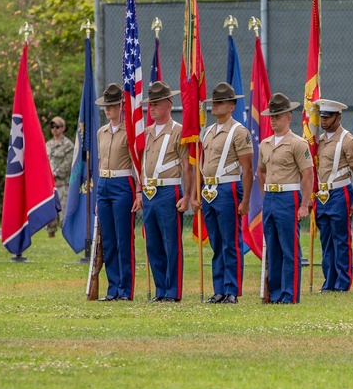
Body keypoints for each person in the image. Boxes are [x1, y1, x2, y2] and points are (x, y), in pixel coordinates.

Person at [191, 82, 254, 304]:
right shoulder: (207, 131)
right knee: (216, 242)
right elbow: (201, 164)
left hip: (228, 187)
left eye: (219, 102)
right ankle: (219, 289)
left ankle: (231, 290)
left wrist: (246, 200)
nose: (214, 106)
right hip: (209, 189)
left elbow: (247, 169)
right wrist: (196, 193)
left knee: (230, 241)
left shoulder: (239, 131)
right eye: (213, 102)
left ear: (231, 106)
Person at [258, 93, 313, 303]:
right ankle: (276, 293)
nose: (273, 120)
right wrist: (266, 194)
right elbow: (260, 171)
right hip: (271, 197)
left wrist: (304, 205)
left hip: (289, 196)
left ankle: (289, 294)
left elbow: (307, 175)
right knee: (273, 248)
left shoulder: (298, 143)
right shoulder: (265, 144)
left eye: (278, 116)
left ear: (288, 117)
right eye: (272, 116)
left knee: (289, 248)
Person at [141, 81, 192, 302]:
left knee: (171, 243)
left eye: (156, 103)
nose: (151, 108)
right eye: (150, 104)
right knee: (152, 243)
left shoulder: (178, 131)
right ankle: (160, 288)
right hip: (149, 191)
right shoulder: (146, 132)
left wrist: (187, 196)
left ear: (169, 104)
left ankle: (173, 291)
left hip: (168, 190)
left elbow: (187, 166)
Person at [314, 99, 353, 292]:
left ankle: (343, 282)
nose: (323, 120)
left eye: (328, 117)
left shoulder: (347, 140)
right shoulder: (318, 140)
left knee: (341, 240)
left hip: (340, 192)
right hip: (322, 194)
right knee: (326, 241)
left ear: (338, 117)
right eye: (322, 116)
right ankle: (329, 282)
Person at [94, 84, 137, 301]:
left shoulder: (129, 131)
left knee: (123, 238)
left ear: (121, 105)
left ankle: (125, 289)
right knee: (108, 239)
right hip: (104, 184)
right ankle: (112, 288)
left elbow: (136, 163)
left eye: (111, 105)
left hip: (123, 183)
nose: (107, 110)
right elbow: (101, 161)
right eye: (105, 106)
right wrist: (98, 194)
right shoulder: (101, 132)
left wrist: (138, 192)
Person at [46, 115, 75, 237]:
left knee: (64, 213)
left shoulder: (68, 145)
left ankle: (66, 236)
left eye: (57, 126)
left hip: (62, 184)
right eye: (52, 126)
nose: (54, 129)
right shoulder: (48, 145)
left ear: (63, 128)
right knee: (49, 213)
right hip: (48, 185)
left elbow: (68, 163)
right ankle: (50, 234)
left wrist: (55, 173)